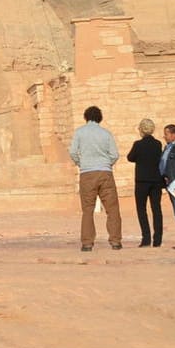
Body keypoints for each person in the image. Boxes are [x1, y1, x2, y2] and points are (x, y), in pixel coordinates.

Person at [69, 106, 122, 252]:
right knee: (112, 209)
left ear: (86, 117)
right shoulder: (106, 133)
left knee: (87, 210)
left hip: (87, 173)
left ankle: (87, 243)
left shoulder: (79, 132)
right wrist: (106, 164)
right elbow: (114, 154)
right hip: (105, 172)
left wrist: (81, 163)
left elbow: (73, 152)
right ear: (100, 117)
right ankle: (115, 241)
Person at [127, 119, 166, 249]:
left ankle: (146, 238)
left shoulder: (138, 144)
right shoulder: (157, 144)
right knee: (156, 209)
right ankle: (158, 239)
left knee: (141, 209)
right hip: (156, 180)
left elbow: (130, 157)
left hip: (142, 181)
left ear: (141, 130)